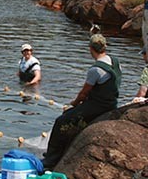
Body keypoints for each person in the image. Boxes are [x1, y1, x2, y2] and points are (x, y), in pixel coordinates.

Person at [41, 34, 121, 169]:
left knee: (61, 121)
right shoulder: (115, 61)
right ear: (104, 47)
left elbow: (83, 94)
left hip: (98, 106)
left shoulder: (95, 69)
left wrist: (72, 105)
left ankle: (51, 159)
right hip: (112, 103)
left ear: (90, 48)